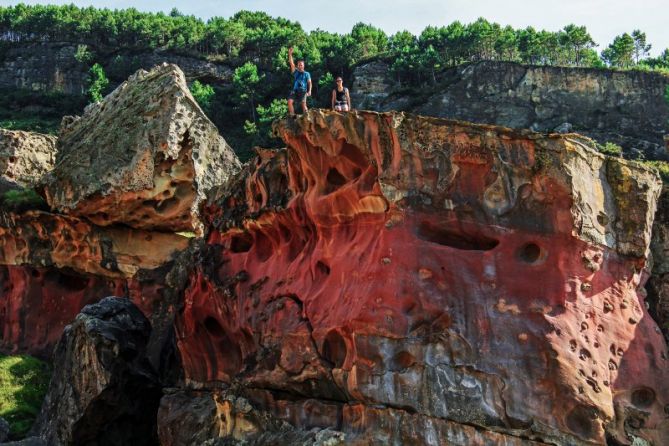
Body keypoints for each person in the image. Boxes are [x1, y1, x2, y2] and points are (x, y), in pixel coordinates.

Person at [287, 47, 311, 115]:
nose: (300, 66)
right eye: (299, 65)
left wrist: (309, 91)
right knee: (289, 101)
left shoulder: (307, 73)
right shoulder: (296, 72)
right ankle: (293, 116)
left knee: (303, 104)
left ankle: (307, 116)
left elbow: (309, 82)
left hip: (303, 90)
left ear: (303, 65)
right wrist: (290, 54)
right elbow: (291, 63)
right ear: (297, 66)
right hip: (295, 90)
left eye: (301, 65)